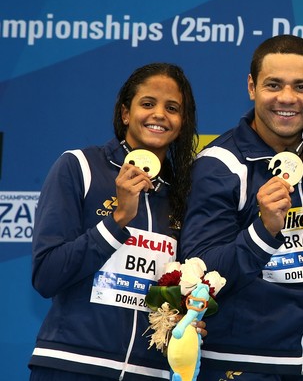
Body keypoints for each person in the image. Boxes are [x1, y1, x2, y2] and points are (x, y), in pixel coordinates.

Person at [179, 34, 303, 380]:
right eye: (273, 85)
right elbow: (197, 275)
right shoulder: (220, 164)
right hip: (240, 364)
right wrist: (263, 231)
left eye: (301, 86)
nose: (287, 98)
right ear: (252, 87)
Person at [29, 63, 200, 380]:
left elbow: (177, 285)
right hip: (73, 364)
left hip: (148, 372)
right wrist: (118, 219)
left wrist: (186, 316)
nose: (159, 114)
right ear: (125, 113)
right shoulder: (79, 167)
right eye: (147, 104)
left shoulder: (183, 194)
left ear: (183, 121)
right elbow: (47, 275)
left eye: (172, 108)